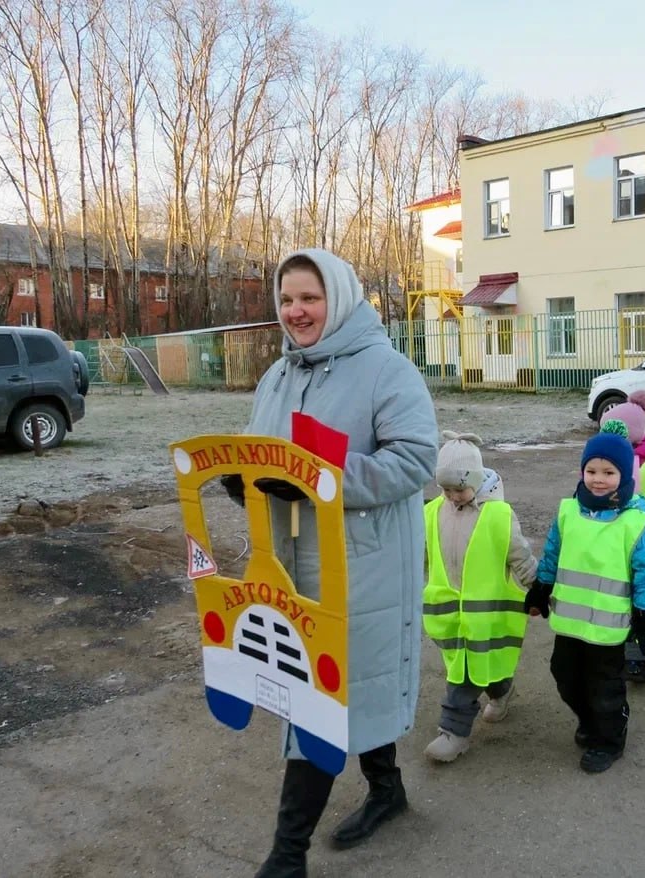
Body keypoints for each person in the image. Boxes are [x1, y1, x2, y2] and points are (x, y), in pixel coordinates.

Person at [228, 249, 438, 876]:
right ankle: (388, 789)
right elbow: (264, 451)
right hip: (290, 561)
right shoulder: (278, 374)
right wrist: (247, 480)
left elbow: (413, 460)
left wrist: (320, 480)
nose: (296, 311)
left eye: (310, 298)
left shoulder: (386, 369)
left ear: (339, 300)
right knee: (347, 686)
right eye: (287, 299)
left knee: (318, 699)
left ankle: (286, 856)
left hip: (363, 564)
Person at [525, 421, 645, 773]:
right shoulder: (568, 511)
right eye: (591, 471)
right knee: (565, 676)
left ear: (625, 475)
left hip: (609, 628)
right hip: (570, 623)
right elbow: (553, 553)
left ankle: (609, 740)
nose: (598, 479)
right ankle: (589, 719)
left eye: (608, 472)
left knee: (605, 688)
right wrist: (541, 587)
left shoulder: (635, 521)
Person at [422, 432, 538, 763]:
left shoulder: (498, 515)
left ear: (476, 479)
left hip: (487, 618)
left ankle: (453, 733)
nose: (453, 496)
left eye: (459, 489)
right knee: (482, 667)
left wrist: (539, 590)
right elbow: (422, 554)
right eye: (445, 489)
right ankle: (503, 690)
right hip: (450, 618)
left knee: (463, 677)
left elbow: (520, 556)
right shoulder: (432, 512)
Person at [600, 391, 645, 684]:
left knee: (638, 602)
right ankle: (621, 651)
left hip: (641, 545)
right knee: (618, 600)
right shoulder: (604, 461)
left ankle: (635, 657)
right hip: (613, 545)